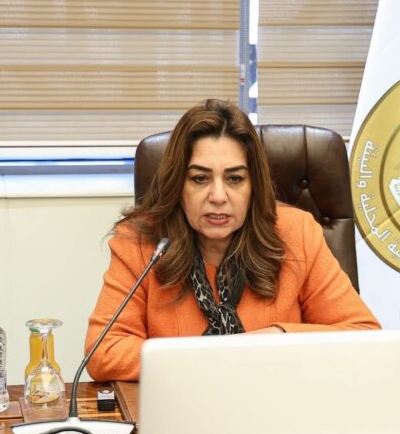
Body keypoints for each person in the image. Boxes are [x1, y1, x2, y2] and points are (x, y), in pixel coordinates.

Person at [85, 99, 380, 382]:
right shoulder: (142, 242)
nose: (218, 196)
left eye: (235, 179)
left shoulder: (296, 233)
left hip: (279, 405)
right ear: (178, 185)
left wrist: (276, 339)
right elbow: (104, 351)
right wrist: (218, 358)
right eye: (200, 179)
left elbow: (363, 335)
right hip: (181, 405)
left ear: (254, 185)